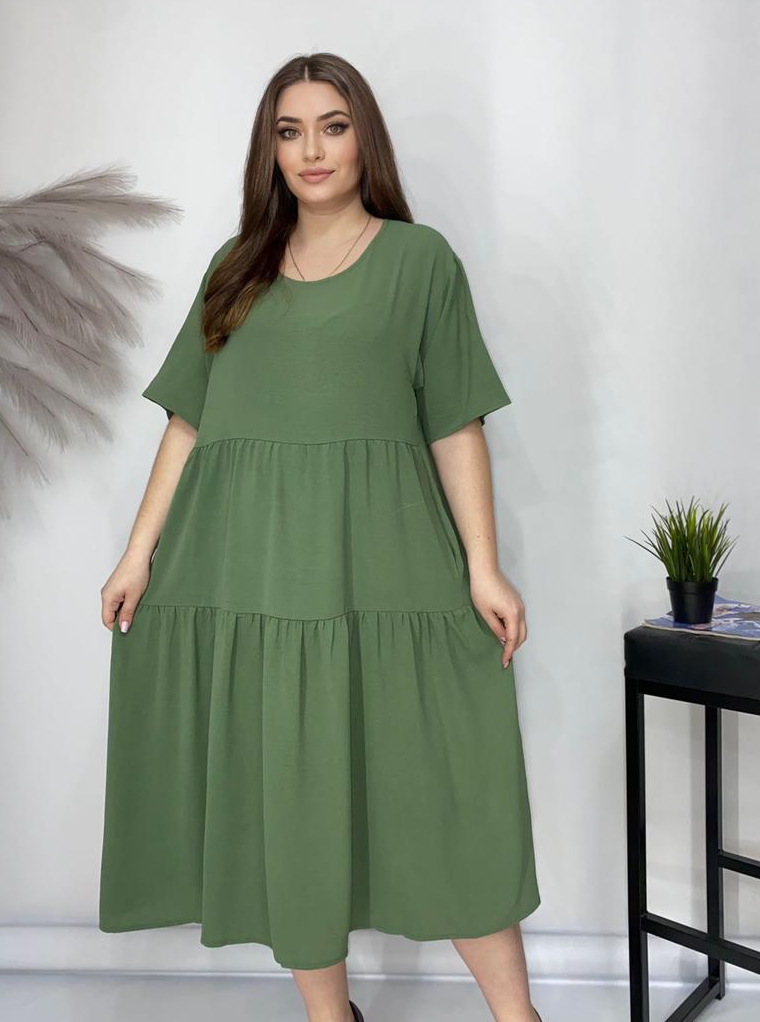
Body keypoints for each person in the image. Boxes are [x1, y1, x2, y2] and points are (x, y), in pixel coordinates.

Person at [98, 51, 542, 1022]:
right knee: (287, 792)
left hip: (387, 567)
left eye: (333, 126)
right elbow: (188, 421)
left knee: (441, 793)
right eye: (290, 131)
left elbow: (456, 422)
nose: (312, 150)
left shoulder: (420, 261)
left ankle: (520, 1018)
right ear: (270, 150)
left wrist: (485, 568)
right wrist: (137, 554)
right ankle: (330, 1016)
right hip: (252, 570)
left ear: (363, 137)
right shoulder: (235, 268)